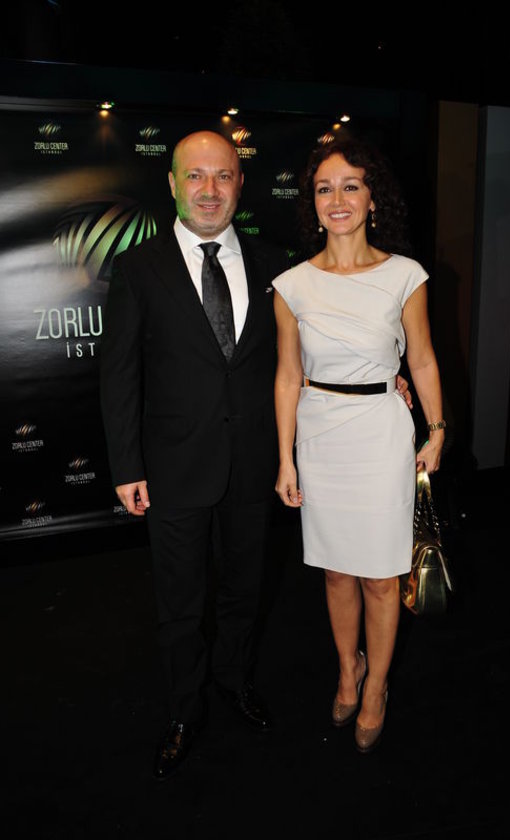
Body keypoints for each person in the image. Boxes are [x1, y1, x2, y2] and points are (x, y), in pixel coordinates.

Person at [99, 130, 292, 781]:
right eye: (196, 176)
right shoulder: (137, 267)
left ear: (241, 183)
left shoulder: (276, 264)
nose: (210, 190)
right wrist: (127, 466)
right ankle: (185, 709)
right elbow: (119, 376)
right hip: (173, 467)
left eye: (223, 176)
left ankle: (233, 680)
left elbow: (299, 360)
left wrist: (389, 375)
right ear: (173, 184)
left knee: (244, 589)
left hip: (253, 463)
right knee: (181, 602)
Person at [272, 138, 445, 753]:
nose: (338, 199)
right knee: (336, 570)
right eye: (325, 188)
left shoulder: (405, 276)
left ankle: (377, 689)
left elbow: (421, 360)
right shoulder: (291, 285)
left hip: (381, 434)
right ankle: (349, 669)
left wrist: (437, 429)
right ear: (313, 204)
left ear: (374, 198)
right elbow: (287, 376)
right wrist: (286, 458)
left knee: (380, 576)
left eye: (351, 185)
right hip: (320, 435)